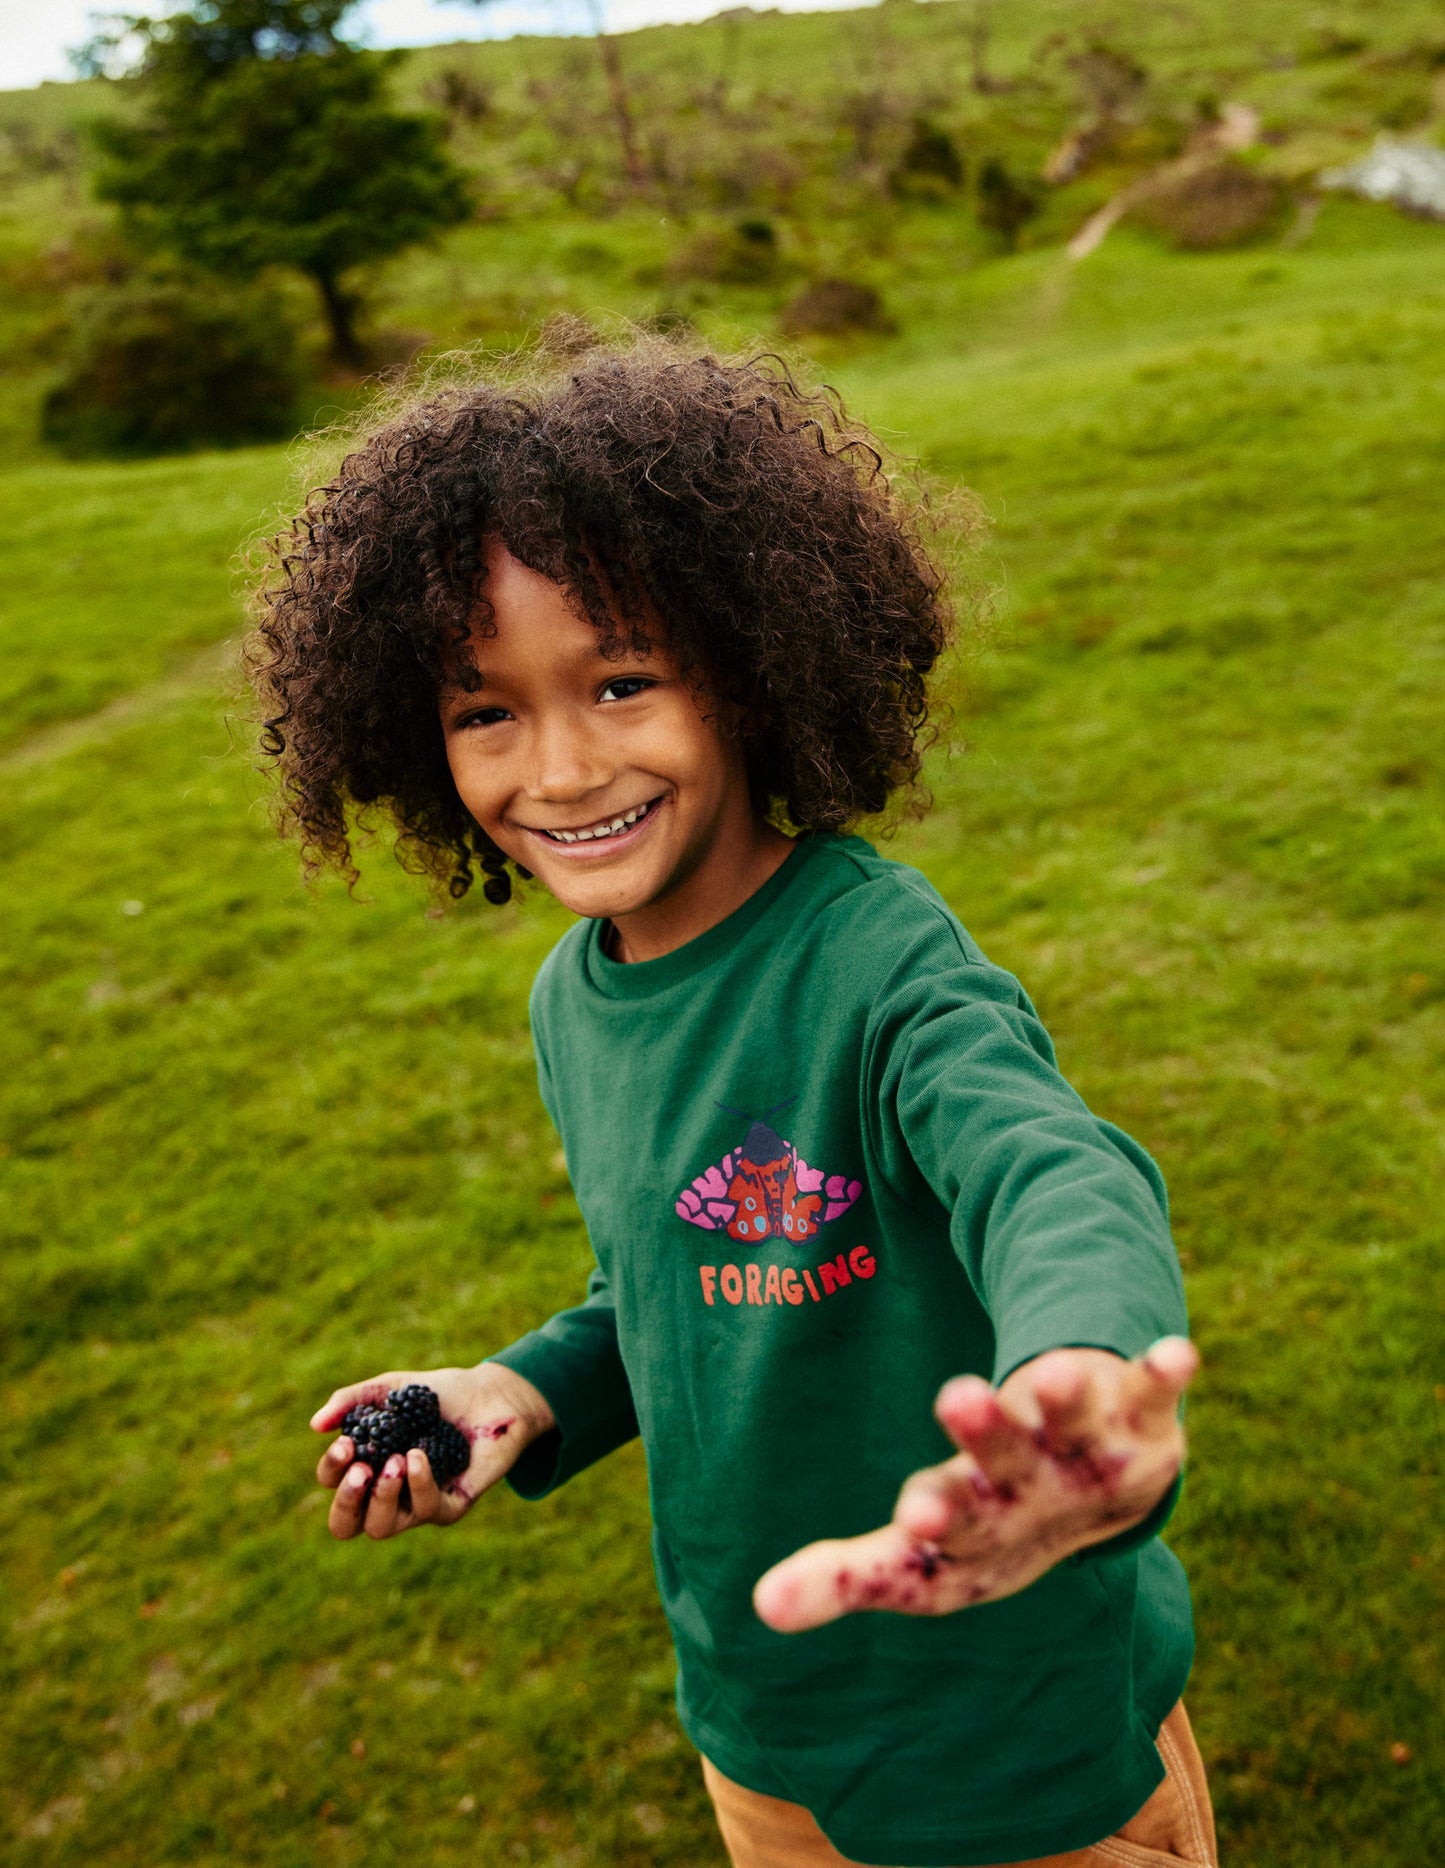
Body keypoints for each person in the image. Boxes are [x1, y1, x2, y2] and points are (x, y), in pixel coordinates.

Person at [249, 341, 1214, 1868]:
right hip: (761, 1723)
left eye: (621, 681)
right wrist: (522, 1388)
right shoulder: (576, 996)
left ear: (755, 665)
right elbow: (671, 1284)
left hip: (1004, 1734)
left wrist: (1078, 1377)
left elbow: (1049, 1169)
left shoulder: (877, 955)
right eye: (482, 711)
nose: (560, 768)